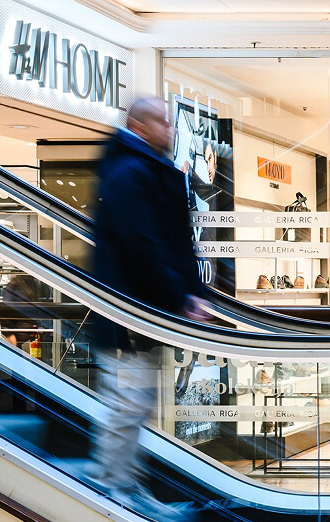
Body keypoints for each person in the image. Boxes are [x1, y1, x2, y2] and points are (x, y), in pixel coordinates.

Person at [89, 96, 211, 521]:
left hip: (145, 316)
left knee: (137, 405)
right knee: (127, 405)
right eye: (163, 122)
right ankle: (109, 489)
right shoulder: (128, 173)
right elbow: (143, 245)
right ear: (139, 126)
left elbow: (173, 243)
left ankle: (127, 484)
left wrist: (190, 292)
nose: (171, 130)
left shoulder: (146, 170)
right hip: (128, 318)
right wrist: (181, 295)